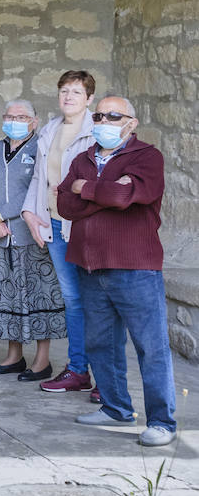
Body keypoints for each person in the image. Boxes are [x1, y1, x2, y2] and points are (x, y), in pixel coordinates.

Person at [58, 96, 175, 447]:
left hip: (134, 268)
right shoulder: (83, 158)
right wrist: (107, 193)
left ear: (131, 123)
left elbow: (127, 199)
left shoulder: (147, 158)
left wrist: (87, 190)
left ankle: (162, 422)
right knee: (101, 344)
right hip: (89, 266)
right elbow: (65, 204)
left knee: (150, 347)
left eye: (113, 115)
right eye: (99, 116)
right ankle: (114, 408)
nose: (103, 121)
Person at [0, 100, 64, 382]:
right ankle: (13, 357)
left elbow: (37, 191)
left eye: (22, 116)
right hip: (0, 238)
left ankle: (42, 361)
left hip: (32, 236)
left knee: (39, 295)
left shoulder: (41, 149)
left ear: (34, 122)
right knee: (8, 296)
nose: (15, 120)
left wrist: (0, 214)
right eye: (10, 116)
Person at [21, 71, 97, 394]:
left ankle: (106, 378)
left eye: (76, 92)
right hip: (54, 223)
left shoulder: (97, 132)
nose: (68, 97)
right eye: (64, 91)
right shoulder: (51, 130)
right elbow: (40, 179)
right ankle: (79, 370)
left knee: (98, 300)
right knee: (72, 300)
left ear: (89, 99)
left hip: (86, 226)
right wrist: (29, 212)